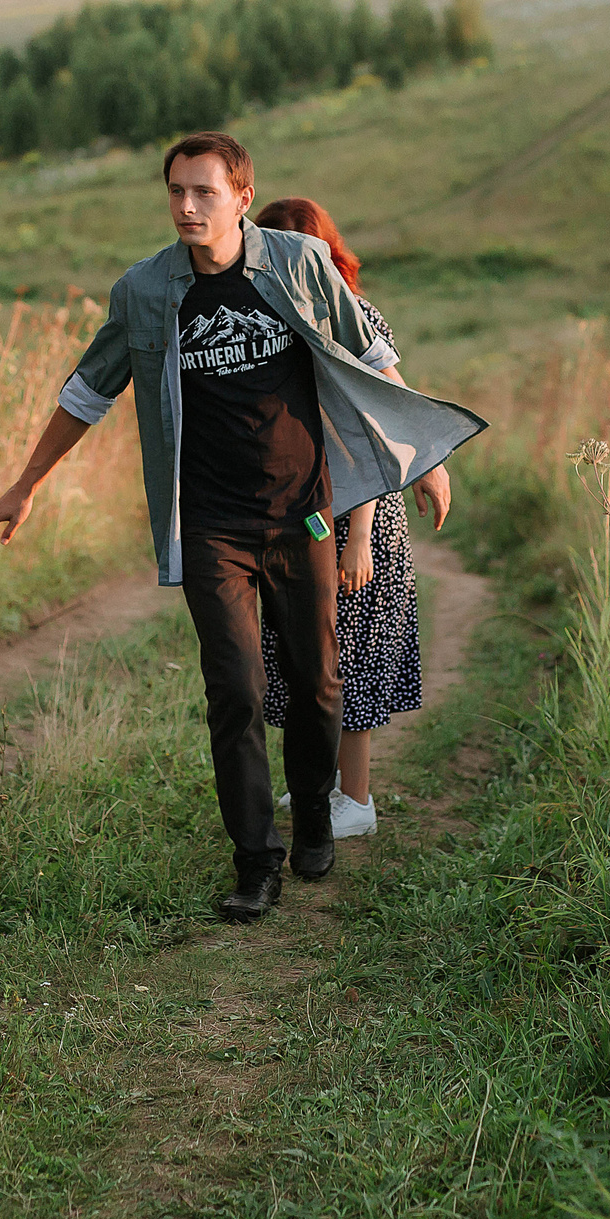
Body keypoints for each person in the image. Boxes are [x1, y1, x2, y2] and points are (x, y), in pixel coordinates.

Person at [0, 131, 484, 923]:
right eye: (176, 191)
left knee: (317, 683)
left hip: (304, 511)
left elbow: (373, 350)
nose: (186, 206)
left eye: (204, 191)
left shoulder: (299, 264)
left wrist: (424, 457)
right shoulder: (145, 291)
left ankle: (315, 814)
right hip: (211, 524)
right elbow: (86, 391)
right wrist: (24, 482)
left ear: (242, 196)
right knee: (235, 690)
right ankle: (256, 862)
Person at [252, 199, 425, 840]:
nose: (295, 259)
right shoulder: (262, 321)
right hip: (296, 509)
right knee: (305, 654)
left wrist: (358, 537)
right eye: (280, 244)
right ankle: (316, 788)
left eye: (308, 246)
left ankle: (356, 800)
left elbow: (373, 423)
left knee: (351, 659)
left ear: (327, 252)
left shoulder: (350, 314)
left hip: (359, 511)